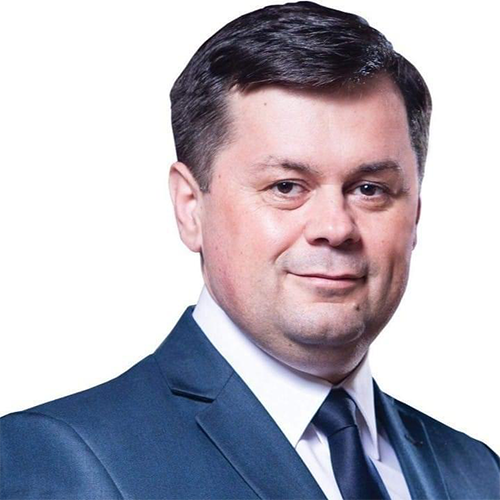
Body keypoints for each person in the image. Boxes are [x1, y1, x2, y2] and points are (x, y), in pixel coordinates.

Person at [1, 2, 498, 499]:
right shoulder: (61, 460)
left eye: (370, 189)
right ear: (190, 208)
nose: (334, 228)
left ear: (415, 213)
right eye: (286, 186)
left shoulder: (479, 474)